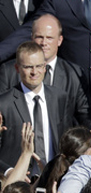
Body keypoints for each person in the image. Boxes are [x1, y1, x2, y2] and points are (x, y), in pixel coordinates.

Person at [0, 14, 90, 128]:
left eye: (49, 38)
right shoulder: (8, 71)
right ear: (32, 38)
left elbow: (83, 115)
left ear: (59, 40)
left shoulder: (73, 74)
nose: (44, 42)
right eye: (39, 37)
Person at [0, 41, 71, 169]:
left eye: (39, 66)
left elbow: (65, 139)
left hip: (51, 176)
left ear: (45, 67)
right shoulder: (4, 104)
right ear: (17, 68)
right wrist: (9, 172)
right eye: (28, 67)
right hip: (18, 180)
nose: (34, 72)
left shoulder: (59, 97)